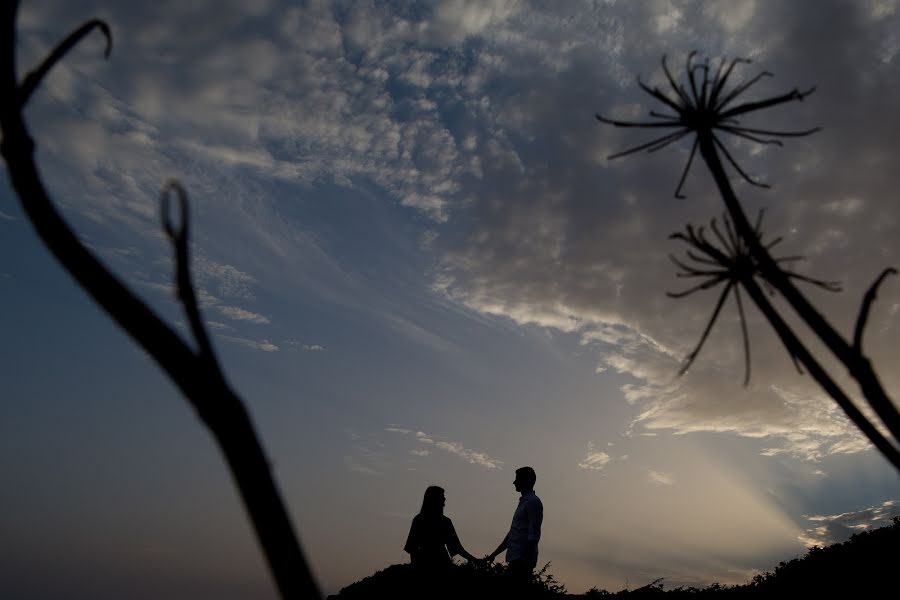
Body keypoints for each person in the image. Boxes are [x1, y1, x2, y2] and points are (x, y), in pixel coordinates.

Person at [487, 466, 543, 582]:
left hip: (521, 561)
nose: (514, 482)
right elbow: (513, 534)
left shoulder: (533, 502)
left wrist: (524, 559)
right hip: (515, 560)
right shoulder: (524, 502)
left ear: (527, 481)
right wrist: (494, 554)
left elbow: (534, 535)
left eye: (517, 479)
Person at [404, 486, 480, 568]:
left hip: (430, 563)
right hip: (440, 564)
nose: (444, 499)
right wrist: (476, 560)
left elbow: (412, 548)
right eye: (442, 496)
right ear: (435, 499)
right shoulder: (443, 522)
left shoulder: (419, 520)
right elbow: (457, 548)